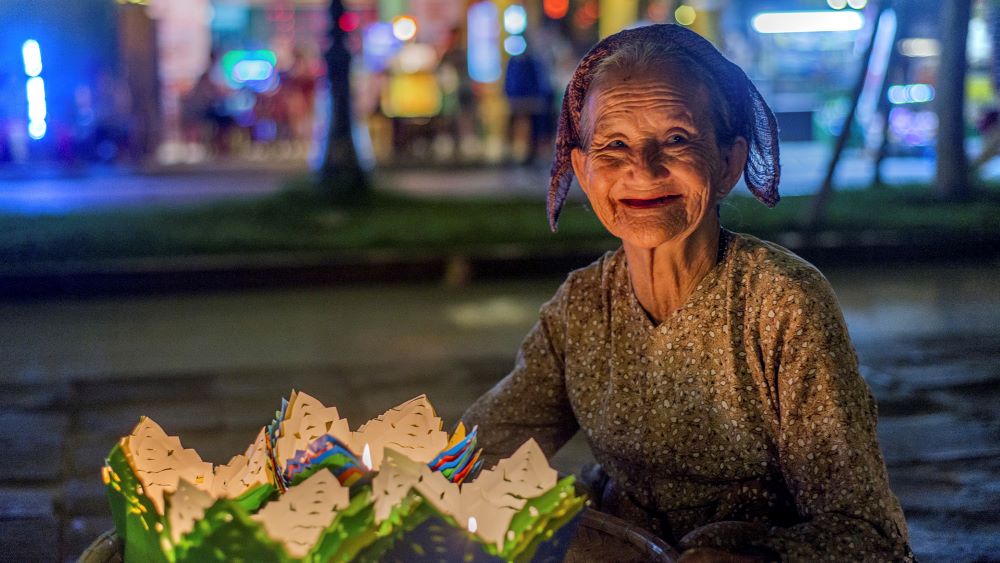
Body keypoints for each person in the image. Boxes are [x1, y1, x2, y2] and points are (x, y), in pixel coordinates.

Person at [462, 25, 912, 562]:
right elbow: (476, 454)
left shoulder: (782, 303)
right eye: (613, 145)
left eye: (677, 139)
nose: (643, 169)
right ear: (582, 169)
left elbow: (864, 529)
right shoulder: (582, 305)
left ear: (727, 163)